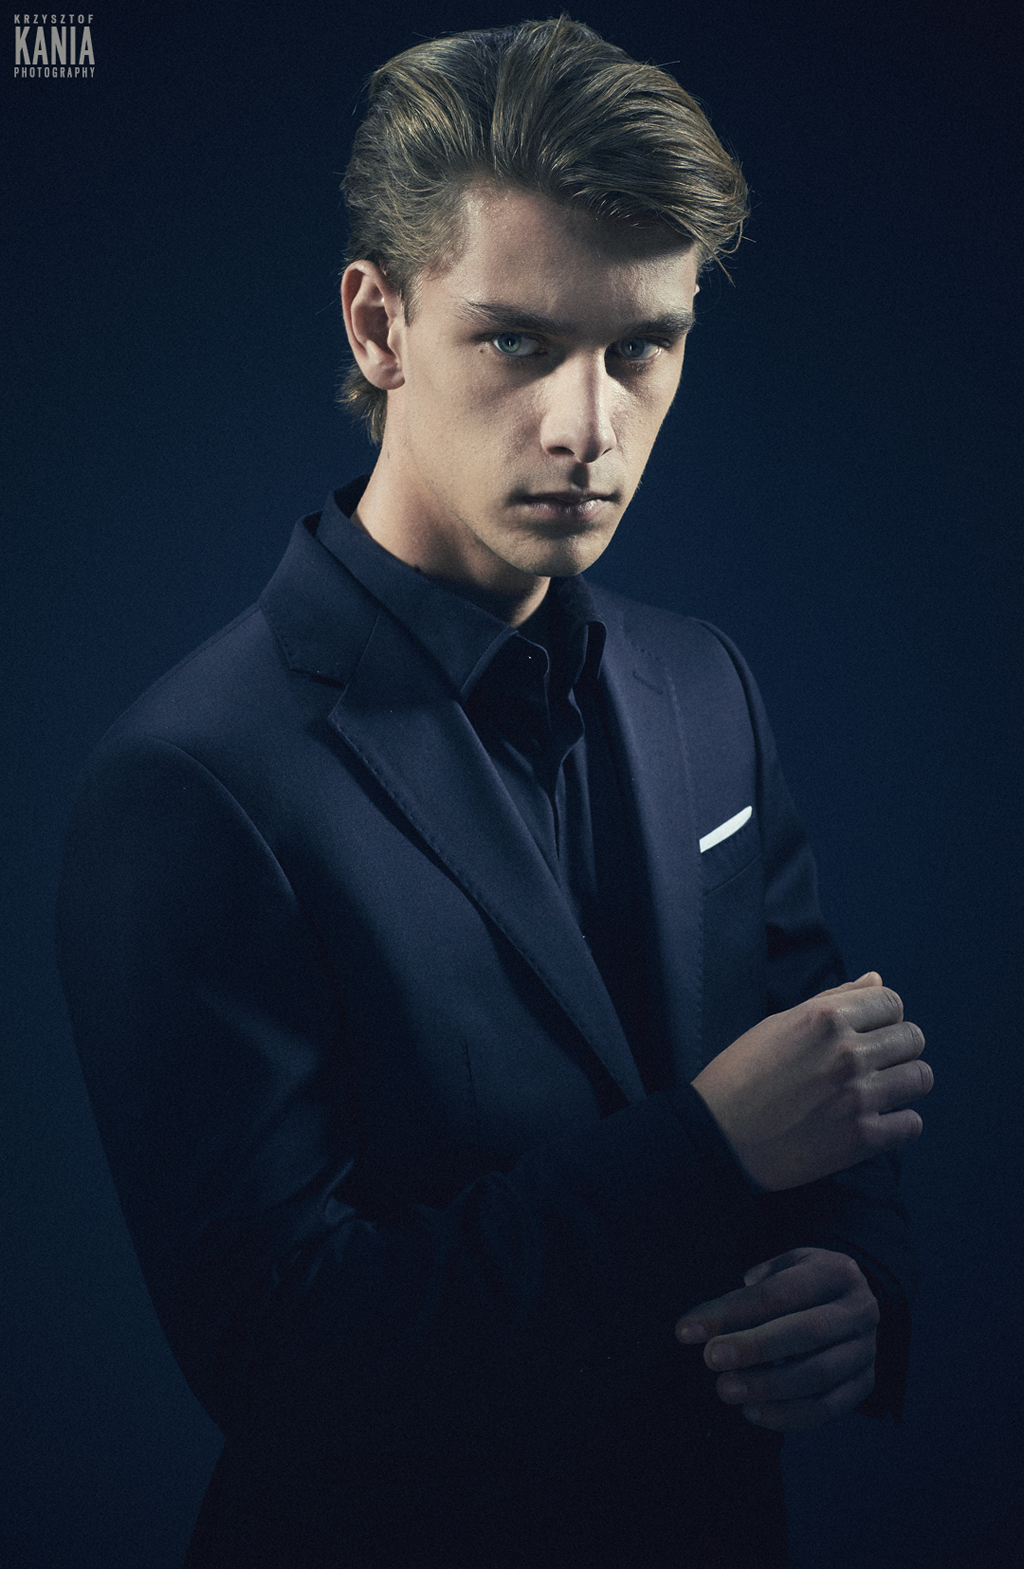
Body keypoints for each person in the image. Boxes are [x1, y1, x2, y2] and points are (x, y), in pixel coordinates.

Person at [56, 18, 932, 1568]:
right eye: (518, 342)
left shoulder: (706, 685)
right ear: (379, 324)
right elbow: (281, 1349)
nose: (589, 427)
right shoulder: (187, 784)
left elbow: (826, 1077)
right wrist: (706, 1151)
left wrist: (857, 1283)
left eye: (641, 347)